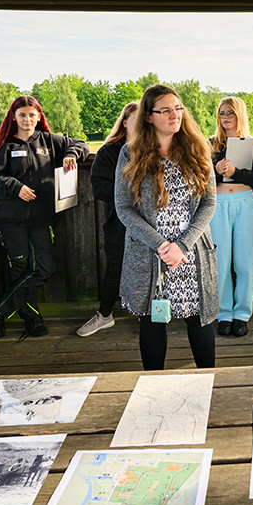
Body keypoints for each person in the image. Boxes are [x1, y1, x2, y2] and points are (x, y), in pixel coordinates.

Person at [115, 84, 218, 370]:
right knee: (151, 320)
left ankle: (207, 381)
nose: (175, 115)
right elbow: (124, 209)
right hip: (151, 254)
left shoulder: (198, 149)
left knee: (200, 319)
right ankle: (152, 387)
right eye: (166, 110)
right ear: (149, 116)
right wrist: (162, 246)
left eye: (178, 108)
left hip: (191, 252)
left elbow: (209, 203)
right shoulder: (130, 153)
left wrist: (181, 246)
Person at [0, 96, 89, 340]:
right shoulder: (6, 147)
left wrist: (71, 153)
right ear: (14, 118)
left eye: (31, 115)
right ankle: (33, 319)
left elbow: (83, 144)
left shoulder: (50, 142)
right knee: (21, 268)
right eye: (22, 115)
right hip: (10, 221)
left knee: (44, 268)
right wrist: (14, 186)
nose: (27, 120)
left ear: (39, 116)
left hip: (41, 219)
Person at [78, 101, 139, 337]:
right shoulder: (109, 152)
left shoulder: (157, 148)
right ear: (124, 122)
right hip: (119, 222)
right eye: (136, 118)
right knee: (115, 268)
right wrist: (131, 189)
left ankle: (152, 317)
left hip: (153, 224)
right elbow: (100, 189)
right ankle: (104, 315)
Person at [209, 96, 253, 337]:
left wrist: (236, 172)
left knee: (245, 263)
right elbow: (202, 181)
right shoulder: (210, 145)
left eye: (230, 113)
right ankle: (223, 314)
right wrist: (218, 173)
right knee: (220, 263)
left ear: (239, 114)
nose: (225, 118)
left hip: (245, 204)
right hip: (218, 206)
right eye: (222, 113)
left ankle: (242, 314)